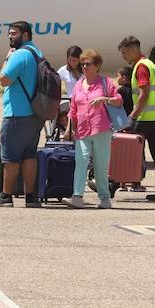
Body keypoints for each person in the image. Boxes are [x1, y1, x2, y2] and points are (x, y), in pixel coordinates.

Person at [0, 21, 44, 208]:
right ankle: (31, 196)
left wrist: (6, 59)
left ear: (25, 35)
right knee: (29, 156)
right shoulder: (37, 53)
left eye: (14, 33)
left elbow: (4, 79)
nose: (10, 37)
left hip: (16, 114)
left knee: (10, 157)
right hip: (35, 114)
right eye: (9, 34)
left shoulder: (19, 55)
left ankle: (6, 196)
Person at [117, 36, 155, 202]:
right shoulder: (149, 64)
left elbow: (144, 94)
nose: (123, 56)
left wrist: (133, 115)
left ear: (133, 50)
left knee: (125, 149)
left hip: (145, 117)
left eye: (124, 52)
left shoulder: (141, 67)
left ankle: (111, 185)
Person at [63, 49, 122, 209]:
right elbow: (73, 109)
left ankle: (104, 198)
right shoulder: (78, 85)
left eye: (88, 64)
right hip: (82, 131)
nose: (84, 67)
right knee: (80, 163)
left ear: (97, 66)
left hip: (101, 129)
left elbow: (118, 101)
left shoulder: (105, 82)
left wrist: (105, 99)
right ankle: (77, 196)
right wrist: (70, 129)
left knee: (100, 167)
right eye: (82, 64)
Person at [54, 45, 83, 138]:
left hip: (82, 101)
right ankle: (67, 132)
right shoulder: (63, 70)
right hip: (70, 101)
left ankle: (69, 132)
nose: (72, 63)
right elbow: (55, 83)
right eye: (70, 60)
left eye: (75, 60)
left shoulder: (85, 69)